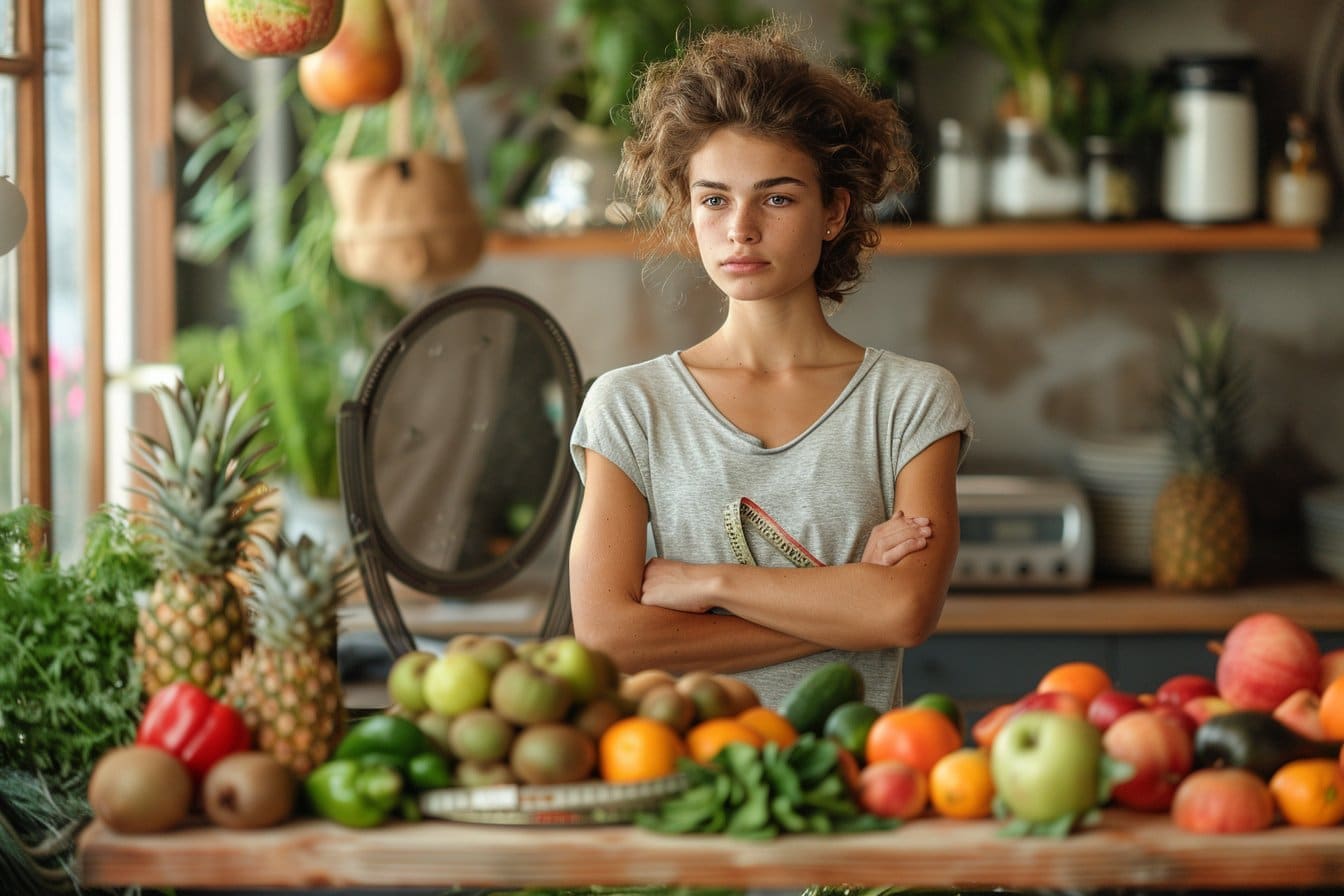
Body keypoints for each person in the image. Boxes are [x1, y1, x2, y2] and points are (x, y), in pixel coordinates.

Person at [567, 19, 973, 713]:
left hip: (858, 787)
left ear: (835, 211)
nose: (741, 229)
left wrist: (707, 585)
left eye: (777, 198)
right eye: (714, 199)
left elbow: (903, 612)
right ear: (689, 213)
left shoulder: (911, 401)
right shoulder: (628, 406)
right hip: (674, 785)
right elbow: (610, 639)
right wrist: (847, 597)